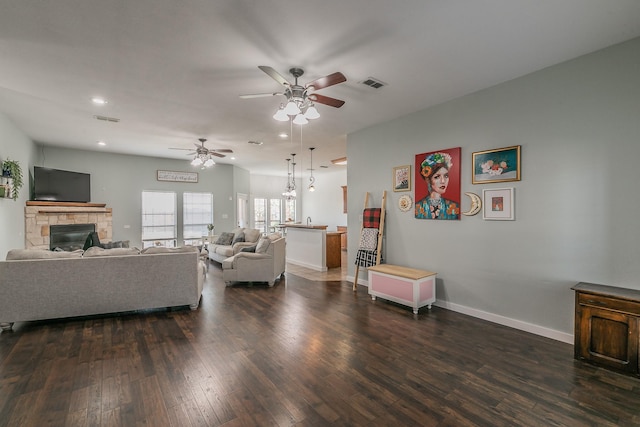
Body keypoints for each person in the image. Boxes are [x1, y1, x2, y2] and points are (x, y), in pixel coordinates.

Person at [415, 152, 459, 219]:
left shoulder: (454, 207)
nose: (443, 181)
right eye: (437, 177)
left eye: (446, 176)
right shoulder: (418, 207)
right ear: (428, 180)